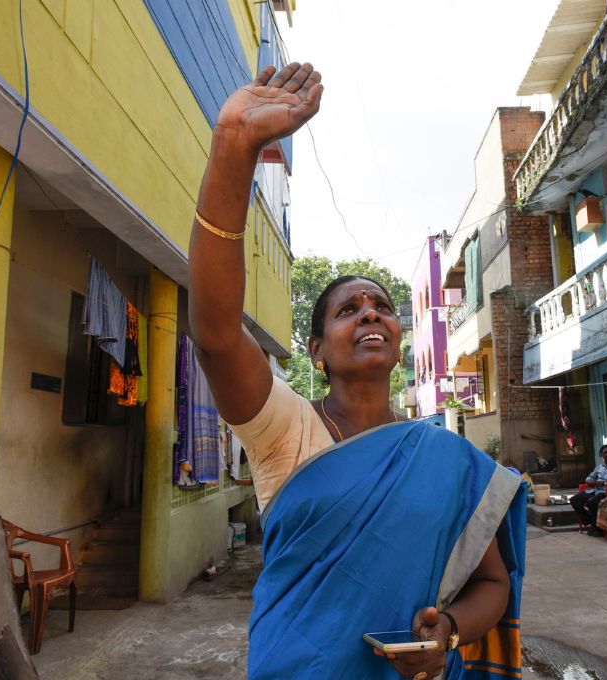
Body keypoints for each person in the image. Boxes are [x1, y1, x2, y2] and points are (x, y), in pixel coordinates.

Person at [188, 62, 527, 680]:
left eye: (382, 306)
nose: (370, 313)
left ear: (399, 337)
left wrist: (448, 632)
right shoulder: (284, 429)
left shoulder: (446, 460)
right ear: (316, 349)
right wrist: (234, 149)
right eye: (348, 309)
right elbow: (214, 335)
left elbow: (492, 585)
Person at [569, 445, 607, 536]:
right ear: (602, 455)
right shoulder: (599, 467)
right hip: (595, 489)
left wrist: (604, 483)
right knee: (574, 500)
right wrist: (589, 481)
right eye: (605, 452)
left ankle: (597, 528)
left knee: (591, 502)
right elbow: (590, 477)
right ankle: (593, 523)